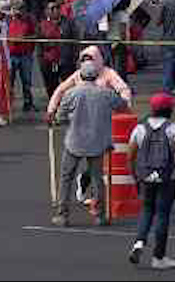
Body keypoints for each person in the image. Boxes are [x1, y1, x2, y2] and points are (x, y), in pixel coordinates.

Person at [52, 58, 126, 226]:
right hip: (97, 142)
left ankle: (62, 215)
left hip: (75, 142)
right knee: (97, 178)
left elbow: (60, 117)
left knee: (66, 178)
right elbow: (121, 105)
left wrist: (62, 118)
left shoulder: (72, 93)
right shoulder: (105, 93)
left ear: (81, 75)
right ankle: (99, 215)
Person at [126, 92, 175, 270]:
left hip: (145, 177)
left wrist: (135, 176)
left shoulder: (140, 129)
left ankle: (139, 242)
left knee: (147, 210)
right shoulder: (173, 128)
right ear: (168, 109)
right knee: (162, 215)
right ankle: (158, 256)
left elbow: (130, 155)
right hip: (166, 177)